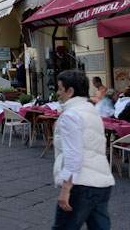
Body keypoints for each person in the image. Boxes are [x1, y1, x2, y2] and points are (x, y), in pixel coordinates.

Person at [52, 70, 114, 230]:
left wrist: (66, 188)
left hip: (81, 184)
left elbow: (74, 154)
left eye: (60, 88)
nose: (58, 92)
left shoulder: (70, 115)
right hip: (102, 182)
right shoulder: (92, 111)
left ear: (70, 91)